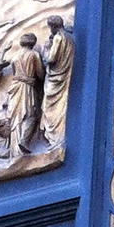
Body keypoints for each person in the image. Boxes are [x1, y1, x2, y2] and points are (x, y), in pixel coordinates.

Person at [41, 17, 74, 147]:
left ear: (53, 27)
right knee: (60, 106)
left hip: (56, 77)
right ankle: (57, 137)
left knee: (50, 107)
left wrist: (46, 49)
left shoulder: (58, 37)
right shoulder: (69, 37)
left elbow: (51, 58)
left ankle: (54, 137)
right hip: (64, 74)